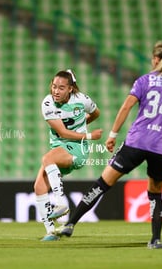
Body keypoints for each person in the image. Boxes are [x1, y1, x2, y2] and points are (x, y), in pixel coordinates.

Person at [55, 42, 162, 249]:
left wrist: (112, 135)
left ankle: (70, 224)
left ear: (157, 60)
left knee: (103, 183)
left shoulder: (145, 80)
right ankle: (155, 240)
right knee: (155, 193)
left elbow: (126, 106)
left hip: (136, 142)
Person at [34, 69, 102, 241]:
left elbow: (96, 112)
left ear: (70, 89)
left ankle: (61, 203)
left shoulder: (82, 100)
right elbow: (63, 133)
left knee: (47, 158)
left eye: (61, 88)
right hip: (61, 147)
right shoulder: (48, 103)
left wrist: (83, 125)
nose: (56, 91)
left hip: (78, 149)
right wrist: (89, 135)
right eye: (54, 86)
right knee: (39, 187)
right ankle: (51, 232)